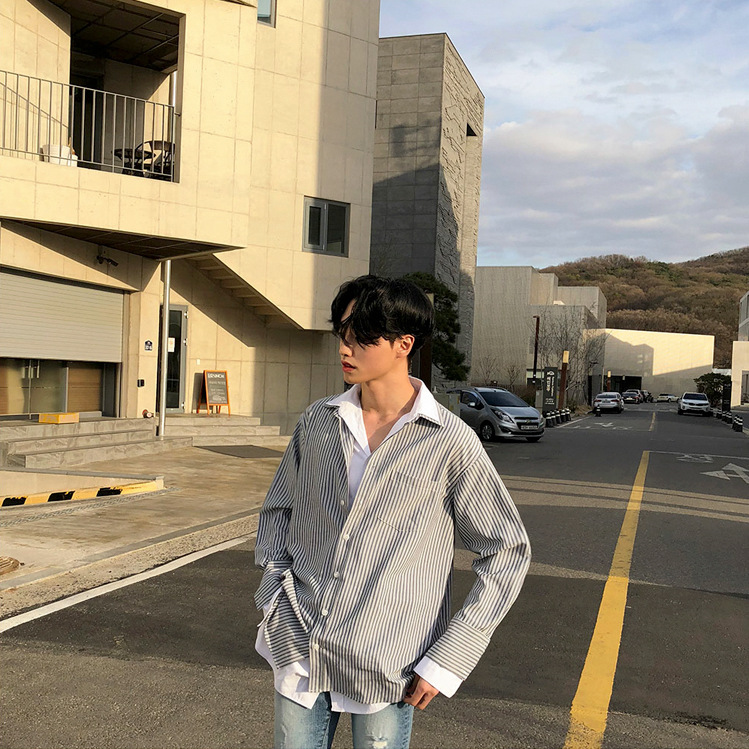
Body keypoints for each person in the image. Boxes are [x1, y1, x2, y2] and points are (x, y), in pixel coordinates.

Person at [255, 275, 531, 749]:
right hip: (302, 642)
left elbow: (507, 550)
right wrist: (274, 595)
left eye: (361, 336)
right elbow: (279, 509)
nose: (345, 348)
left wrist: (447, 658)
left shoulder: (449, 441)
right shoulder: (318, 422)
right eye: (342, 334)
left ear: (404, 343)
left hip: (389, 658)